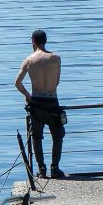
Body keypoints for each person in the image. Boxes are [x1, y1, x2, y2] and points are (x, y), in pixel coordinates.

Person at [15, 29, 66, 179]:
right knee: (57, 135)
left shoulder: (29, 60)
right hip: (52, 100)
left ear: (33, 41)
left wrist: (28, 96)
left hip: (36, 102)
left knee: (37, 137)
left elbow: (17, 83)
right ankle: (55, 168)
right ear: (45, 41)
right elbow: (56, 81)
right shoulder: (56, 58)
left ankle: (42, 170)